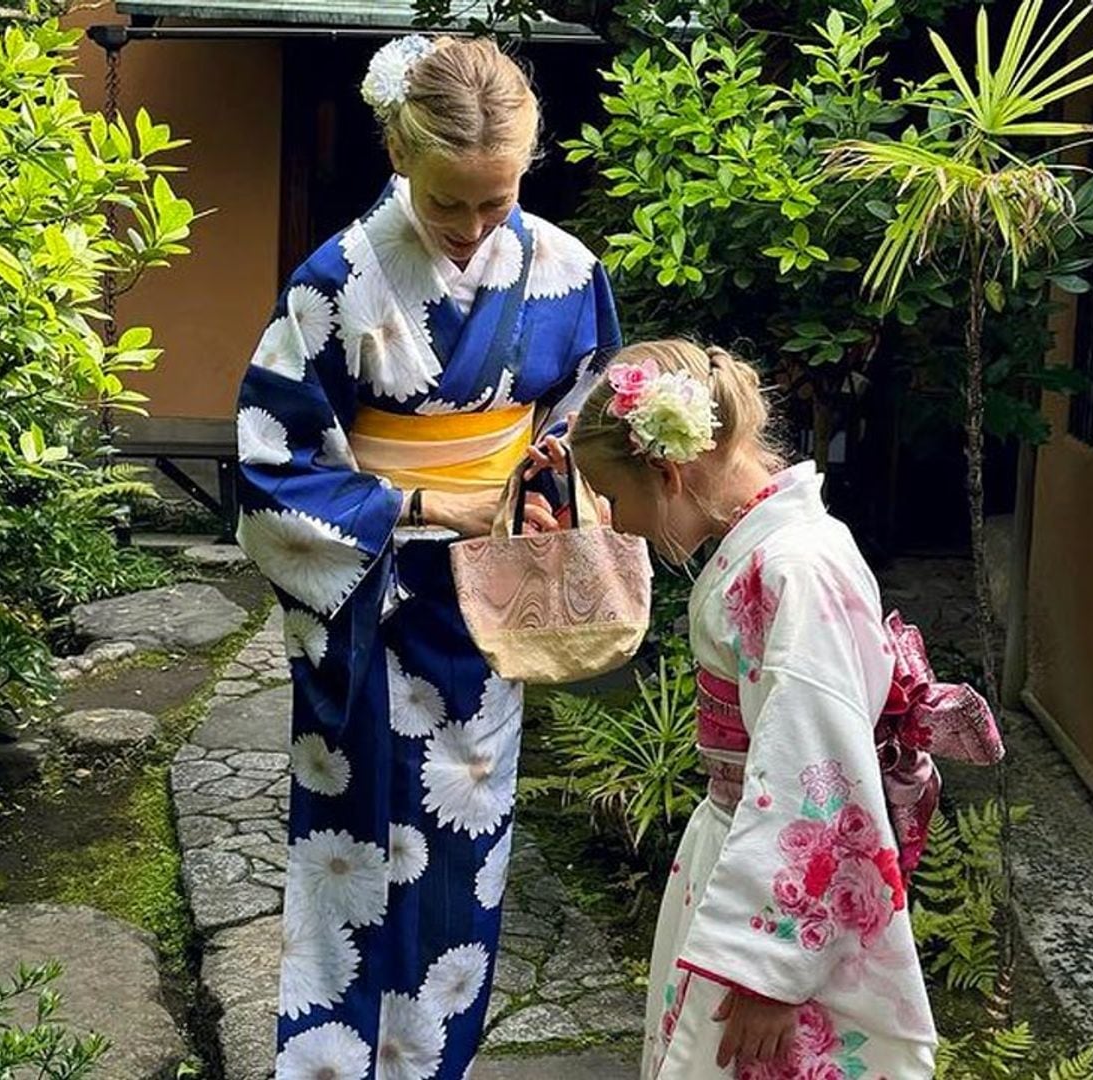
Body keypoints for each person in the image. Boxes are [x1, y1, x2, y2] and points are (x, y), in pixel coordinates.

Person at [234, 33, 620, 1080]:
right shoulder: (338, 280)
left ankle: (432, 1068)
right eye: (450, 200)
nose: (472, 226)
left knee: (461, 864)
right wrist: (418, 497)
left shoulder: (570, 273)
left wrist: (548, 492)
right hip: (368, 612)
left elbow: (580, 424)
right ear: (399, 154)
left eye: (496, 201)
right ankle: (326, 1067)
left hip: (485, 614)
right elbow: (270, 468)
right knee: (352, 865)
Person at [569, 340, 1000, 1080]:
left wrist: (770, 967)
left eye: (612, 498)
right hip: (747, 853)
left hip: (785, 904)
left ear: (668, 471)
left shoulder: (794, 567)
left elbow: (817, 771)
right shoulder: (776, 551)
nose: (615, 521)